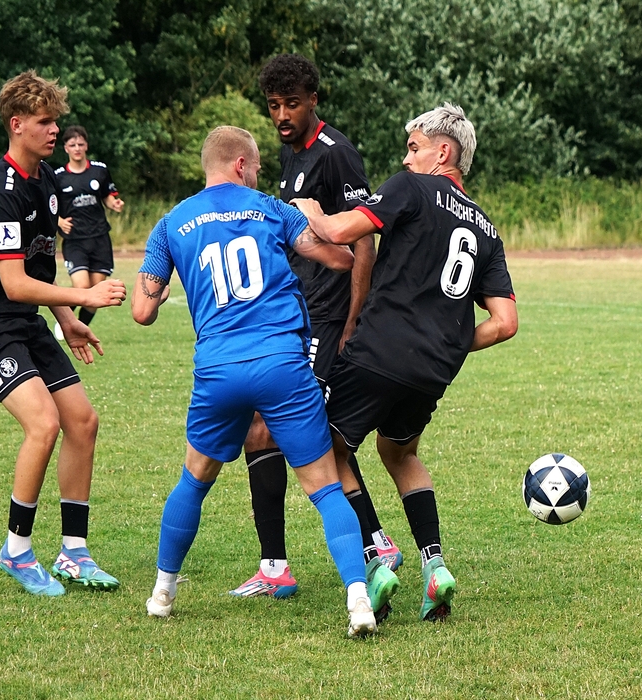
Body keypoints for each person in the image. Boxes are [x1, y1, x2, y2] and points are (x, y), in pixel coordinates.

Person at [131, 125, 377, 637]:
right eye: (259, 166)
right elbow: (340, 259)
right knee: (326, 489)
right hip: (281, 364)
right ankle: (359, 602)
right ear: (241, 164)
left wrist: (158, 290)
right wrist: (314, 217)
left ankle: (162, 593)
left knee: (193, 480)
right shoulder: (271, 208)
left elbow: (142, 311)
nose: (261, 174)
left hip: (218, 370)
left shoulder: (171, 223)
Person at [292, 103, 519, 622]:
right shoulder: (487, 229)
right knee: (399, 452)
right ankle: (434, 566)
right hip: (433, 371)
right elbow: (505, 322)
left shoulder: (412, 187)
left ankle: (375, 555)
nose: (406, 157)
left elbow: (342, 231)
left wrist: (311, 211)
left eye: (414, 147)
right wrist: (451, 343)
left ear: (444, 152)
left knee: (325, 448)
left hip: (379, 351)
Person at [0, 70, 127, 596]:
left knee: (82, 422)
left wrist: (68, 321)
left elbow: (40, 266)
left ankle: (74, 552)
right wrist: (86, 297)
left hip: (22, 320)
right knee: (43, 424)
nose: (54, 131)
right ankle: (17, 550)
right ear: (17, 124)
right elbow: (14, 283)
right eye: (45, 122)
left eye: (56, 122)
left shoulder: (45, 181)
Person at [228, 53, 402, 604]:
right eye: (274, 105)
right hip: (297, 314)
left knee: (276, 426)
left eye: (292, 104)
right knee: (278, 429)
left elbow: (363, 239)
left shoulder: (335, 153)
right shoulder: (290, 152)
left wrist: (353, 320)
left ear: (313, 101)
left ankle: (346, 550)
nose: (282, 115)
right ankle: (361, 546)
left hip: (329, 316)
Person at [52, 125, 124, 340]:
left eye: (80, 144)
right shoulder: (58, 176)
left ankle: (79, 328)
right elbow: (48, 205)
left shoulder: (99, 170)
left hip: (100, 238)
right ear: (65, 148)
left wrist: (114, 203)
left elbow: (107, 195)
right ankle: (65, 320)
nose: (77, 148)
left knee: (97, 291)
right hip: (75, 240)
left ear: (86, 146)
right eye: (72, 145)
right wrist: (59, 221)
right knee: (82, 286)